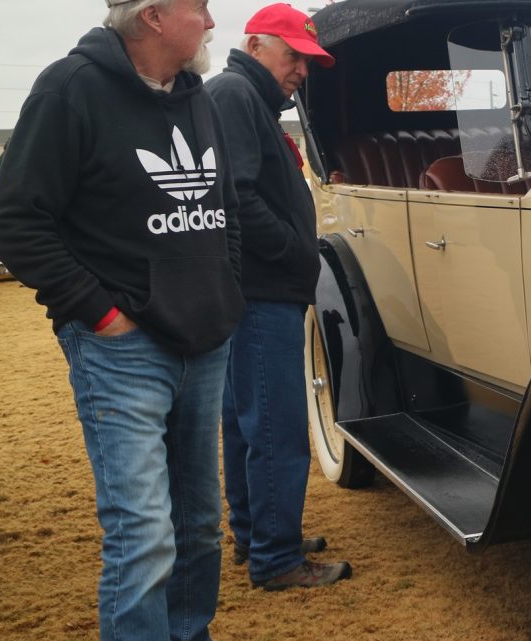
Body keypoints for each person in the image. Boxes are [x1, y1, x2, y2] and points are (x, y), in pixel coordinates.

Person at [0, 1, 255, 641]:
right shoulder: (69, 89)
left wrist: (225, 291)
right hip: (121, 350)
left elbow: (223, 206)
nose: (209, 20)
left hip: (206, 339)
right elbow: (16, 219)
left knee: (199, 519)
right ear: (154, 14)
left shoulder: (195, 95)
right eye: (198, 8)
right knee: (142, 534)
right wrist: (99, 314)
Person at [206, 2, 352, 591]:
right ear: (258, 44)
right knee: (275, 425)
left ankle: (257, 536)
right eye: (294, 56)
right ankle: (275, 558)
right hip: (262, 291)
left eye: (307, 60)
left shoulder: (243, 98)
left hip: (254, 290)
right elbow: (236, 198)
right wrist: (296, 252)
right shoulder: (238, 97)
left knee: (247, 420)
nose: (302, 71)